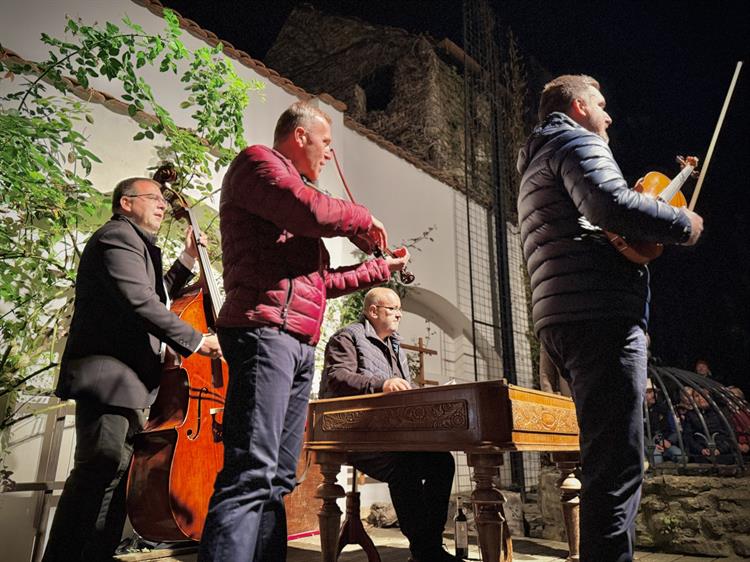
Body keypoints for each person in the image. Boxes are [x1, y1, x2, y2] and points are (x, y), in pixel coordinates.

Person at [199, 101, 409, 562]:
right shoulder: (257, 163)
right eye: (326, 143)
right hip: (265, 331)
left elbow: (320, 282)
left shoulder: (291, 196)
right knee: (251, 472)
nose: (330, 154)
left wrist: (379, 269)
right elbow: (310, 211)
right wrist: (362, 217)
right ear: (299, 136)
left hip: (296, 340)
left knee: (277, 478)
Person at [517, 74, 704, 562]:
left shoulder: (536, 160)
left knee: (605, 460)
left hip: (561, 316)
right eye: (600, 105)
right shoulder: (576, 142)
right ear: (578, 107)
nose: (608, 115)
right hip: (599, 315)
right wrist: (683, 223)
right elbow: (610, 204)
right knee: (617, 468)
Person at [43, 178, 222, 562]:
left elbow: (158, 295)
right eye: (153, 198)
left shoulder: (135, 244)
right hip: (109, 379)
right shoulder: (117, 237)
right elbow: (140, 300)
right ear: (126, 203)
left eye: (162, 199)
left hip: (129, 384)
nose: (162, 205)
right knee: (98, 474)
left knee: (114, 484)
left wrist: (188, 258)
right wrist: (199, 341)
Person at [320, 287, 459, 562]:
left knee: (442, 462)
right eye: (393, 309)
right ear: (373, 311)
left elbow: (401, 391)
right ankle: (426, 552)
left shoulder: (396, 346)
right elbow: (337, 377)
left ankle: (429, 547)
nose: (399, 314)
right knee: (403, 466)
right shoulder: (347, 337)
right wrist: (381, 384)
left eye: (399, 309)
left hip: (391, 434)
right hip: (355, 432)